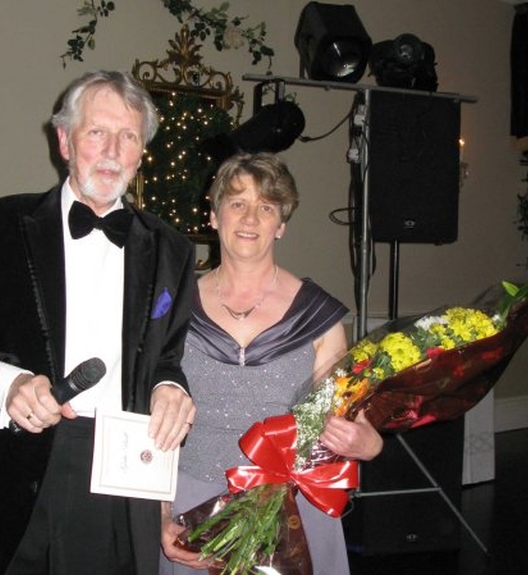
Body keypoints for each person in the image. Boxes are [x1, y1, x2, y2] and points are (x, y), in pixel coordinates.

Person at [0, 70, 197, 575]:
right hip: (4, 473)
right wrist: (6, 385)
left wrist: (169, 386)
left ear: (141, 152)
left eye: (128, 137)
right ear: (64, 141)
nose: (113, 151)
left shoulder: (171, 250)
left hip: (116, 478)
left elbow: (167, 357)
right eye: (97, 132)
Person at [159, 152, 383, 575]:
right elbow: (147, 420)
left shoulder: (318, 315)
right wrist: (159, 515)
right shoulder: (172, 306)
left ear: (280, 225)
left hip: (291, 511)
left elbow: (350, 417)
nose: (249, 218)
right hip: (191, 508)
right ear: (213, 215)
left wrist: (368, 443)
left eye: (266, 207)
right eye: (237, 202)